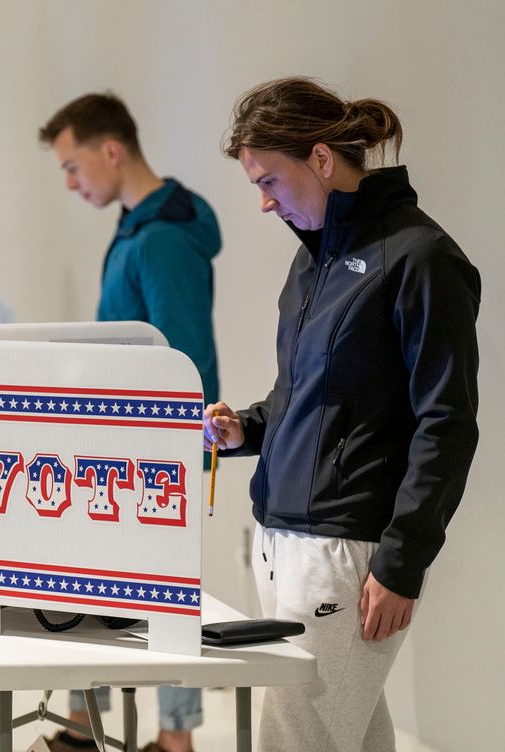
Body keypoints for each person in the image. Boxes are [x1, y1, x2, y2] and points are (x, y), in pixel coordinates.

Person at [205, 77, 479, 751]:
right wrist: (248, 426)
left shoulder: (419, 258)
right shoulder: (312, 263)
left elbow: (446, 422)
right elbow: (302, 393)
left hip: (345, 555)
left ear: (322, 160)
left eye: (271, 181)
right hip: (281, 542)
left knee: (295, 742)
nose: (266, 203)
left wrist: (402, 561)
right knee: (348, 738)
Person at [37, 93, 219, 752]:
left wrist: (166, 448)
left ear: (110, 150)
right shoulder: (138, 228)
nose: (70, 182)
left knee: (166, 597)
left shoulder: (164, 238)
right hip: (123, 440)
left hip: (156, 448)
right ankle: (87, 725)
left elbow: (185, 361)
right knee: (107, 584)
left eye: (72, 166)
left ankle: (176, 742)